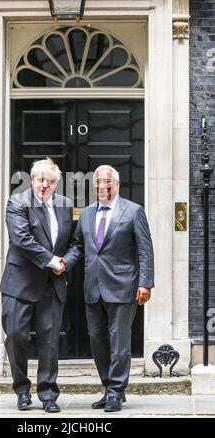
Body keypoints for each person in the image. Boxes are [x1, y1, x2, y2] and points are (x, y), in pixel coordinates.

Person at [56, 165, 154, 412]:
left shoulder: (133, 211)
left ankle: (116, 391)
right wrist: (66, 261)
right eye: (98, 182)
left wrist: (145, 282)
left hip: (123, 288)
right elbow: (78, 245)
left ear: (117, 184)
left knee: (119, 343)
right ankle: (109, 387)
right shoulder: (87, 214)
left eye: (107, 182)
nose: (102, 186)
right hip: (93, 288)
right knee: (98, 342)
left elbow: (145, 249)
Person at [0, 158, 72, 413]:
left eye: (50, 181)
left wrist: (65, 262)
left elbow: (73, 243)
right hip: (19, 283)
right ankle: (21, 389)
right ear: (31, 180)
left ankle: (48, 393)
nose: (45, 185)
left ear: (56, 183)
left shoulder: (65, 205)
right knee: (17, 336)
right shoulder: (17, 202)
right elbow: (21, 239)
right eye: (41, 180)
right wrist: (52, 260)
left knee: (50, 342)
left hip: (52, 285)